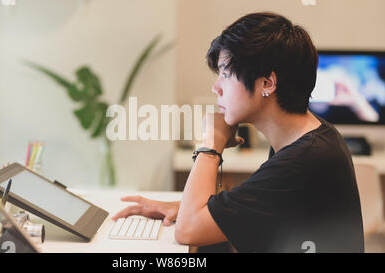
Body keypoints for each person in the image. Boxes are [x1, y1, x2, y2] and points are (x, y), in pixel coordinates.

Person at [112, 12, 365, 253]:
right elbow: (261, 204)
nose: (216, 87)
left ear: (267, 83)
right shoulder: (313, 137)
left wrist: (211, 144)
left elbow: (188, 231)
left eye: (225, 74)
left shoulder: (303, 160)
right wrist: (184, 207)